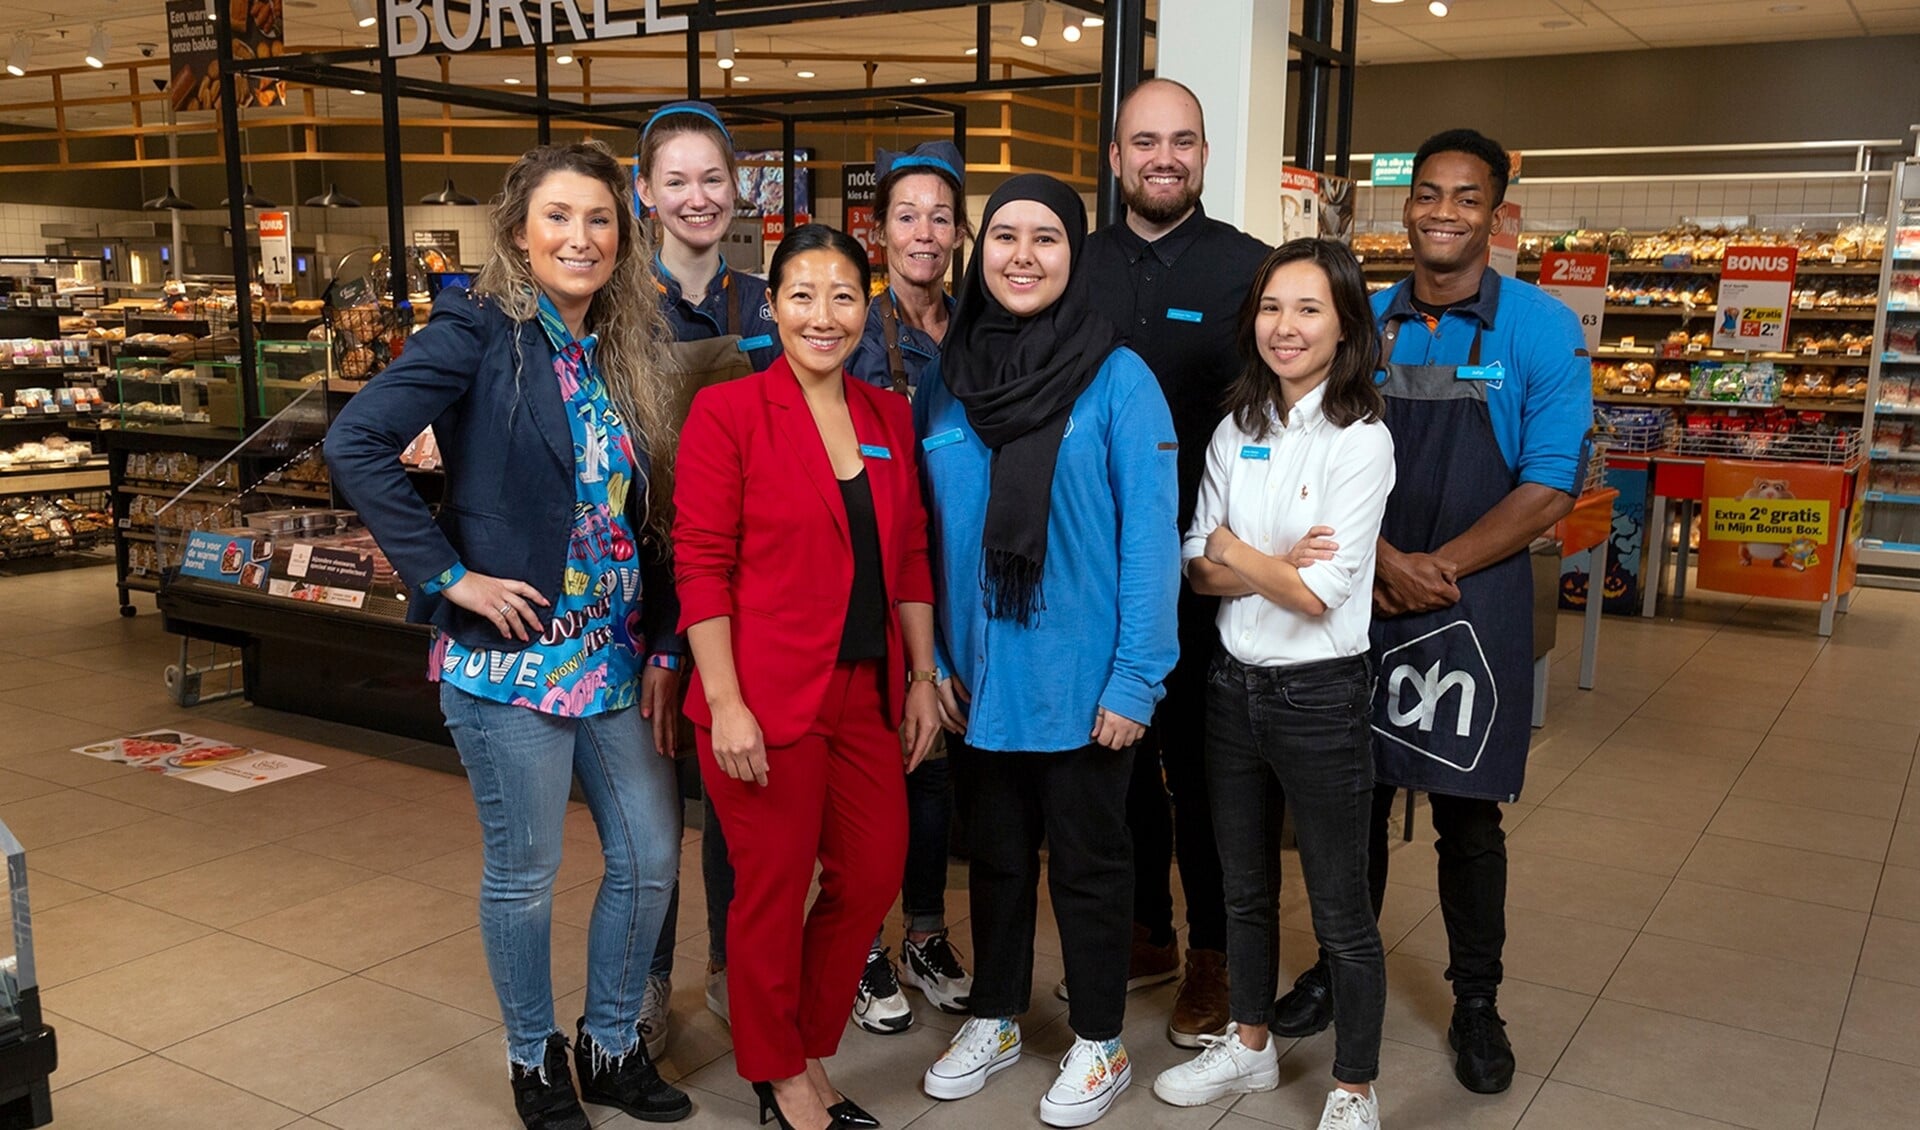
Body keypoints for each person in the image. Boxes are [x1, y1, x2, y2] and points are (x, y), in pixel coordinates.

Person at [325, 140, 692, 1130]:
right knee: (525, 873)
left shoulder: (615, 347)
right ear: (520, 234)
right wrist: (447, 575)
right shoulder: (478, 327)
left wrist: (661, 638)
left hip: (610, 653)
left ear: (623, 237)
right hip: (510, 658)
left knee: (652, 854)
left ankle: (611, 1045)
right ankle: (534, 1062)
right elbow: (355, 440)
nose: (581, 236)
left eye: (600, 219)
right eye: (559, 217)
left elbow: (636, 517)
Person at [1271, 129, 1592, 1097]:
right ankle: (1337, 964)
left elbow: (1549, 485)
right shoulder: (1364, 317)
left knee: (1467, 817)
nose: (1443, 212)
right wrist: (1378, 566)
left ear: (1497, 213)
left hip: (1469, 601)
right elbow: (1311, 456)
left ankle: (1478, 1000)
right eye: (1428, 194)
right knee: (1347, 803)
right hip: (1359, 592)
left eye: (1466, 196)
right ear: (1405, 207)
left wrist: (1434, 566)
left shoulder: (1541, 328)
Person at [917, 174, 1180, 1129]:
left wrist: (1136, 678)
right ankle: (993, 1015)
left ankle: (1101, 1040)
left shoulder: (1119, 377)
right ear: (977, 253)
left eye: (1046, 239)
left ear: (1076, 257)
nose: (1022, 256)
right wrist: (933, 663)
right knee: (990, 861)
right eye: (1004, 238)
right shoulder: (945, 379)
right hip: (977, 681)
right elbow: (924, 534)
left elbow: (1152, 539)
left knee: (1088, 866)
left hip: (1083, 680)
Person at [673, 223, 943, 1130]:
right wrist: (724, 702)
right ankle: (782, 1078)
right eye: (801, 296)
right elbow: (701, 563)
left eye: (841, 296)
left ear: (865, 306)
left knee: (871, 873)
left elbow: (908, 554)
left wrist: (919, 677)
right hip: (759, 695)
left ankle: (807, 1046)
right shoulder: (730, 413)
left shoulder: (888, 418)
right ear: (772, 307)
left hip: (865, 690)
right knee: (771, 893)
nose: (822, 316)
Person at [1152, 239, 1395, 1130]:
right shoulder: (1235, 429)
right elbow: (1195, 566)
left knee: (1340, 908)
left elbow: (1316, 592)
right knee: (1241, 887)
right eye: (1270, 308)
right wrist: (1251, 562)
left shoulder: (1362, 440)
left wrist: (1233, 551)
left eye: (1308, 310)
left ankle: (1353, 1088)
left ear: (1344, 326)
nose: (1284, 328)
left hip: (1321, 696)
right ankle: (1249, 1047)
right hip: (1231, 689)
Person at [1078, 76, 1271, 1048]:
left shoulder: (1250, 271)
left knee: (1204, 769)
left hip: (1207, 575)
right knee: (1110, 757)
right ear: (1116, 157)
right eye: (1144, 140)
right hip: (1093, 570)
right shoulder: (1070, 263)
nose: (1164, 155)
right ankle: (1142, 927)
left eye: (1182, 140)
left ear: (1202, 153)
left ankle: (1214, 952)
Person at [632, 99, 778, 1045]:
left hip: (740, 592)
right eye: (675, 180)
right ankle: (643, 985)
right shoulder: (611, 306)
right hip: (637, 589)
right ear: (644, 193)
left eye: (711, 179)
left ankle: (735, 970)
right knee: (647, 818)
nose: (696, 197)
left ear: (738, 189)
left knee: (736, 809)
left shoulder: (767, 303)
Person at [842, 139, 975, 1035]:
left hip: (958, 576)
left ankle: (925, 930)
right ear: (879, 230)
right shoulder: (853, 330)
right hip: (871, 575)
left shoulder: (982, 326)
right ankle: (859, 947)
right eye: (905, 215)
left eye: (940, 215)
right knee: (869, 769)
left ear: (961, 230)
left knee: (937, 766)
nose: (924, 232)